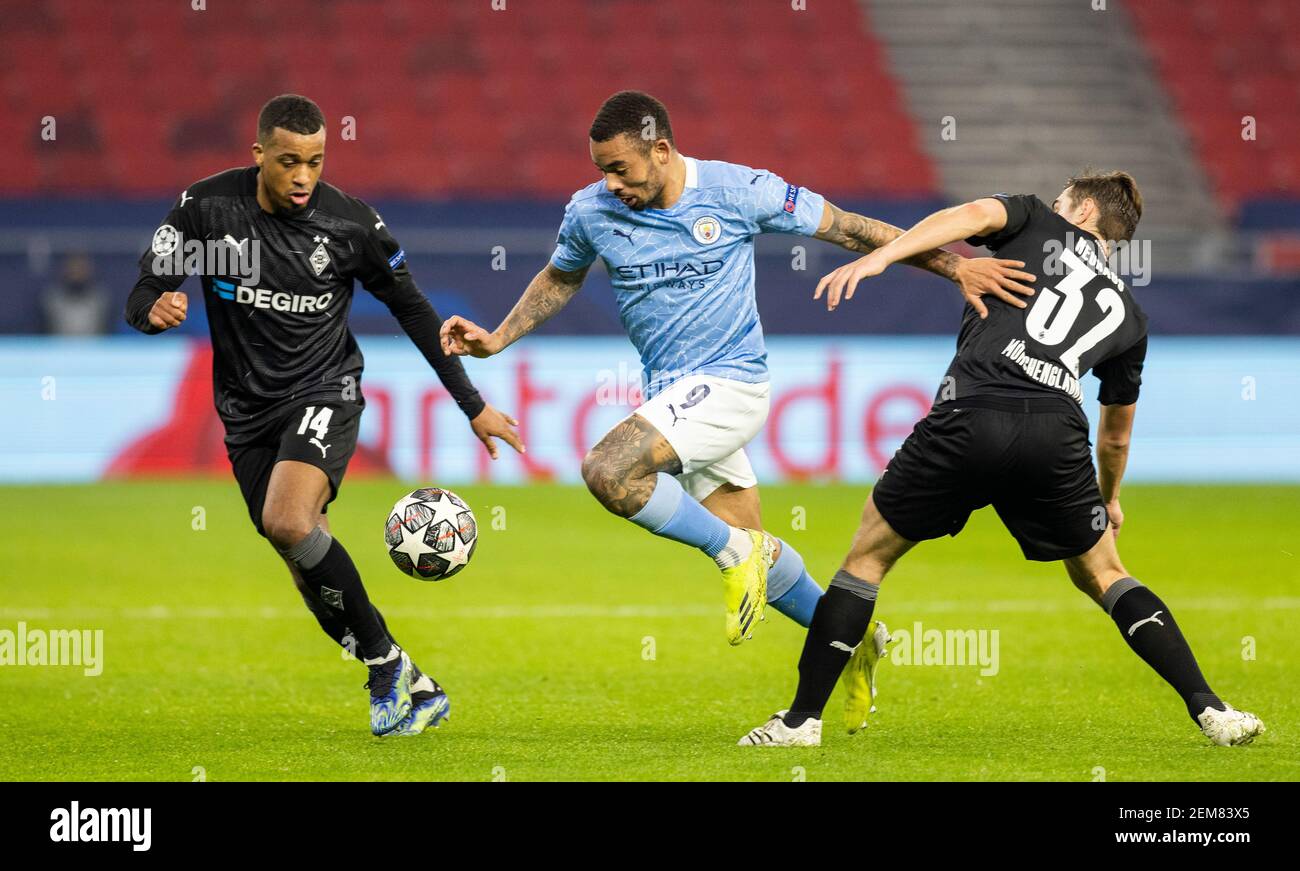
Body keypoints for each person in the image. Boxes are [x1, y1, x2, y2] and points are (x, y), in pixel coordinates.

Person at [440, 88, 1033, 713]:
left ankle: (735, 555)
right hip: (673, 398)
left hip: (732, 383)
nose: (609, 184)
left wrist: (957, 267)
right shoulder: (590, 212)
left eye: (620, 168)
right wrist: (498, 338)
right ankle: (854, 641)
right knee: (762, 557)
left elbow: (853, 229)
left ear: (662, 151)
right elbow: (561, 276)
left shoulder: (739, 191)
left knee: (608, 471)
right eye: (600, 171)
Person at [739, 171, 1264, 748]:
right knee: (1106, 572)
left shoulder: (1034, 217)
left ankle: (800, 723)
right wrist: (1109, 497)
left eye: (1066, 199)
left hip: (973, 409)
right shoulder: (1131, 317)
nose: (1056, 203)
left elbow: (963, 219)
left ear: (1084, 211)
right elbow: (1116, 435)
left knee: (868, 557)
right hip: (1056, 431)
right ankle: (1212, 709)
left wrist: (881, 258)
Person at [124, 94, 523, 737]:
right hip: (246, 412)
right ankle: (406, 675)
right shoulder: (205, 209)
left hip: (324, 390)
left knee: (287, 519)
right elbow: (145, 288)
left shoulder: (351, 226)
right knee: (299, 549)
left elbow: (415, 312)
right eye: (288, 162)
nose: (304, 176)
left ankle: (385, 672)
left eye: (315, 161)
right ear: (258, 156)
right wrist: (151, 312)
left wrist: (472, 405)